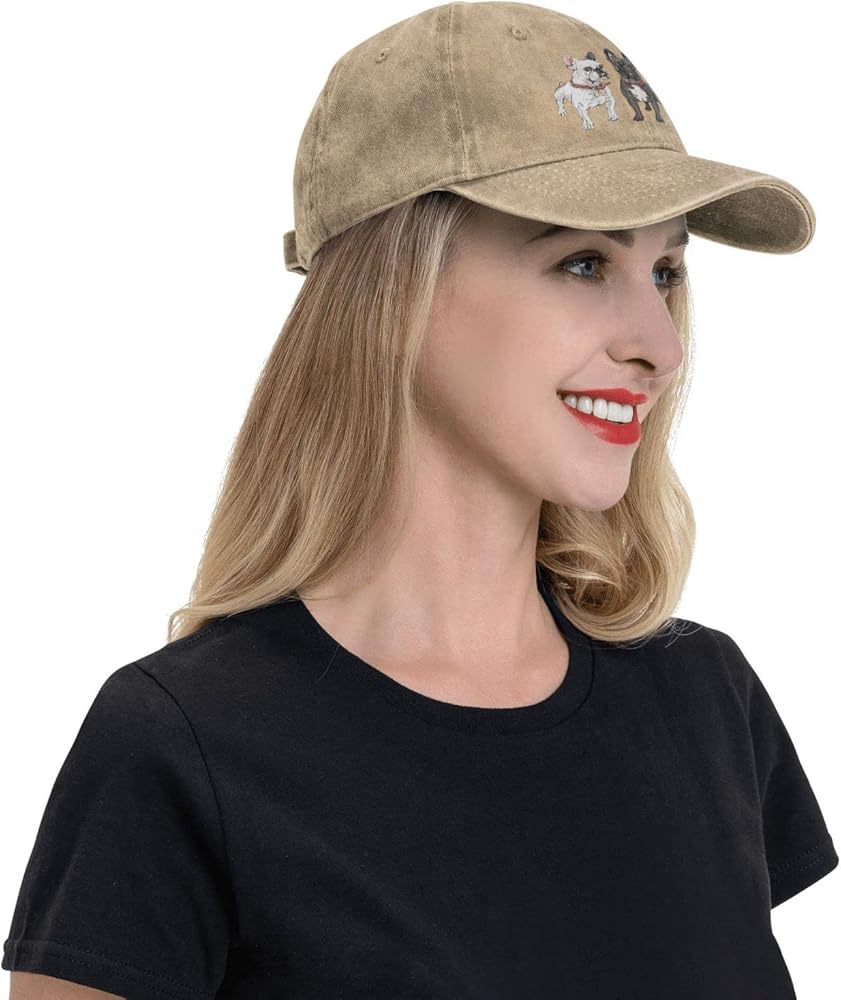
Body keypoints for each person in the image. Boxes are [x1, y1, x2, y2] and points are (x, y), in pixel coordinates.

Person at [3, 3, 836, 998]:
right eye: (581, 262)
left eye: (664, 271)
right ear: (395, 290)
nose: (658, 343)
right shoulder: (185, 745)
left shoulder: (702, 699)